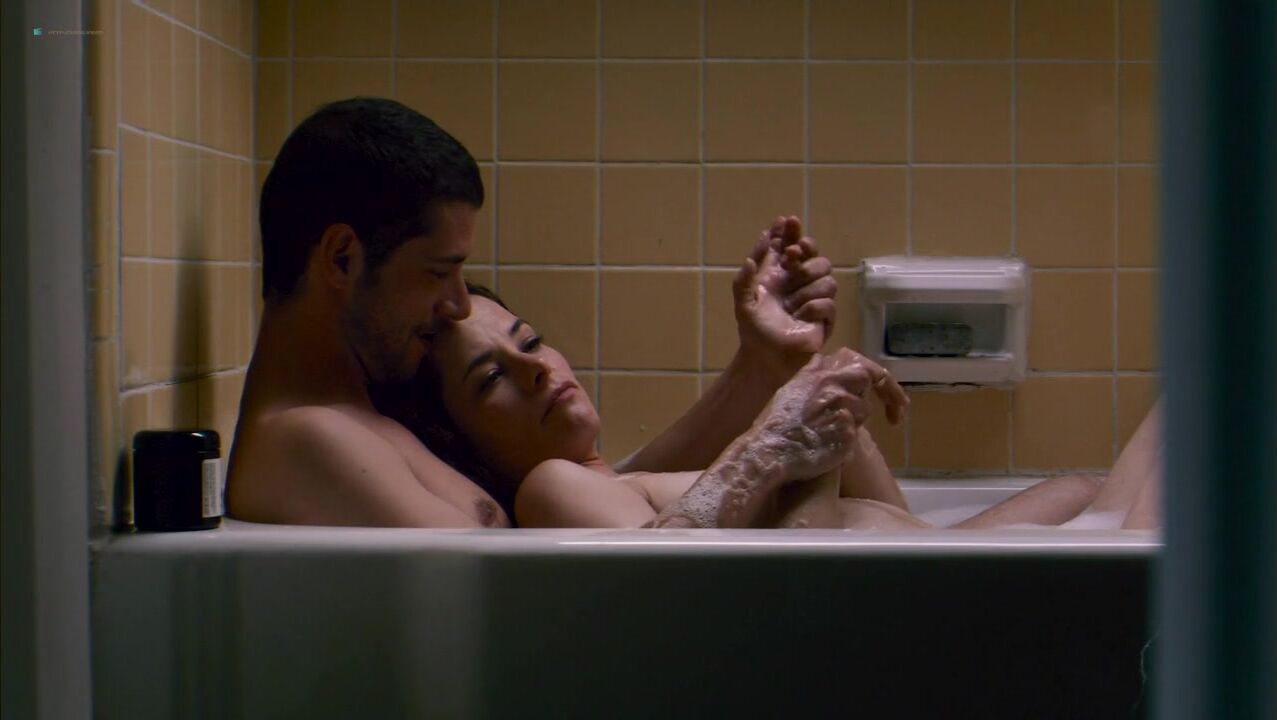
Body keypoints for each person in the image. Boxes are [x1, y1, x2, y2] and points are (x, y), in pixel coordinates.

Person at [226, 97, 853, 529]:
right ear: (341, 258)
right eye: (438, 272)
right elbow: (528, 601)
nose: (458, 303)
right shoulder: (310, 440)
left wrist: (760, 368)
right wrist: (770, 453)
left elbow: (607, 508)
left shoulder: (356, 418)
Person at [392, 279, 1162, 531]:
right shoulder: (549, 488)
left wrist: (834, 424)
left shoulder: (624, 482)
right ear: (459, 442)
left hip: (938, 574)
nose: (535, 369)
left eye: (530, 339)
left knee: (1082, 487)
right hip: (938, 614)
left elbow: (896, 534)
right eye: (490, 379)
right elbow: (683, 593)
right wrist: (786, 443)